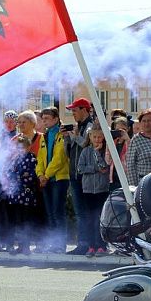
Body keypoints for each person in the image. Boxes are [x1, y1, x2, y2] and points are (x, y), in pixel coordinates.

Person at [64, 98, 96, 255]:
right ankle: (83, 243)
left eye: (75, 110)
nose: (73, 113)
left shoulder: (91, 126)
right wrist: (67, 138)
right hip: (75, 175)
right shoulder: (79, 127)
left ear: (84, 109)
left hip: (86, 175)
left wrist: (74, 136)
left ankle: (88, 244)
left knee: (86, 212)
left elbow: (85, 143)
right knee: (80, 212)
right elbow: (69, 152)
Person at [35, 107, 69, 253]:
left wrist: (46, 175)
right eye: (43, 119)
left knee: (58, 212)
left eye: (47, 118)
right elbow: (40, 158)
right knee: (50, 213)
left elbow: (59, 158)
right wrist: (40, 175)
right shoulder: (44, 136)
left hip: (59, 178)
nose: (44, 121)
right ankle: (53, 242)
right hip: (46, 179)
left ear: (56, 119)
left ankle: (60, 244)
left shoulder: (61, 135)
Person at [77, 128, 110, 257]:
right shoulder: (85, 151)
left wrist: (97, 154)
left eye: (99, 137)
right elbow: (80, 168)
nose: (97, 140)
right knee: (90, 219)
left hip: (102, 189)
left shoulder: (105, 151)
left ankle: (102, 245)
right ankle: (91, 246)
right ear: (90, 137)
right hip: (88, 190)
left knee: (101, 219)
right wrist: (94, 169)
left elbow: (104, 168)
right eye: (94, 137)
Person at [7, 134, 39, 255]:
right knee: (18, 221)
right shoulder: (14, 160)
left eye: (23, 147)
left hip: (27, 196)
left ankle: (26, 246)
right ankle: (20, 245)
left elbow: (31, 176)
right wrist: (21, 175)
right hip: (15, 196)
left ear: (28, 147)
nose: (20, 150)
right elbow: (10, 175)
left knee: (26, 220)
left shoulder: (31, 158)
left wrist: (19, 176)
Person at [125, 109, 151, 186]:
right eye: (143, 121)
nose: (146, 123)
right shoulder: (136, 140)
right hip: (144, 183)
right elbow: (130, 166)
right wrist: (133, 187)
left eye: (149, 120)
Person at [104, 117, 131, 190]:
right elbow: (108, 161)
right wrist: (108, 144)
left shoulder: (131, 142)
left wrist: (128, 140)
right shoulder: (112, 143)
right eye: (117, 130)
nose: (120, 132)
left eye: (123, 130)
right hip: (114, 178)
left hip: (127, 178)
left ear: (128, 129)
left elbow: (131, 157)